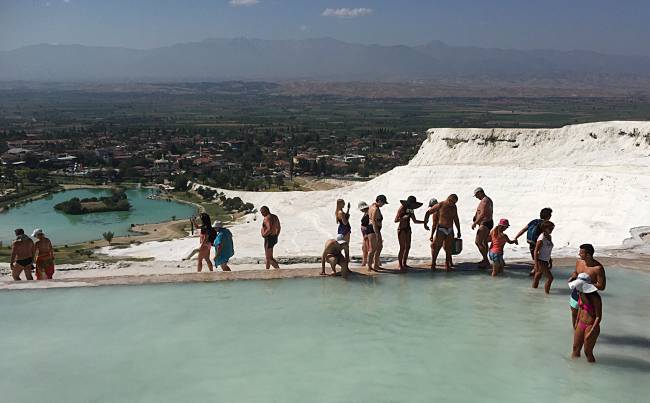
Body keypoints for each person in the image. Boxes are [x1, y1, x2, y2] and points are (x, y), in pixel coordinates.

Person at [568, 244, 606, 327]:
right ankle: (575, 333)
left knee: (588, 318)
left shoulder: (597, 268)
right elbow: (576, 272)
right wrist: (573, 276)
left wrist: (585, 284)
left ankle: (588, 334)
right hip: (576, 292)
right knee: (574, 313)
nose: (579, 254)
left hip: (588, 296)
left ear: (588, 255)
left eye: (581, 253)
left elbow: (602, 286)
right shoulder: (579, 262)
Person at [569, 273, 602, 363]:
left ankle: (590, 371)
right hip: (581, 323)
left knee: (588, 352)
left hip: (591, 325)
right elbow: (580, 308)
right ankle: (573, 370)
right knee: (575, 349)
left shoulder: (595, 298)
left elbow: (598, 317)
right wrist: (576, 322)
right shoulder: (580, 293)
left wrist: (591, 331)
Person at [514, 207, 553, 276]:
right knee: (539, 263)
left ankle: (536, 273)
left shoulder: (534, 221)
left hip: (532, 244)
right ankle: (535, 274)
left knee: (537, 261)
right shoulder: (545, 224)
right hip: (541, 245)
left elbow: (524, 230)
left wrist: (516, 237)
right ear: (548, 216)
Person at [428, 194, 461, 271]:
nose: (453, 204)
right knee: (437, 246)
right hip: (441, 229)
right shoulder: (440, 206)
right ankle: (435, 263)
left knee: (447, 247)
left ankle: (447, 263)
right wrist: (432, 235)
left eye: (454, 203)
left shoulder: (453, 207)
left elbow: (456, 219)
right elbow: (434, 224)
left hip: (449, 229)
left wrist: (459, 230)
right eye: (452, 202)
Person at [394, 195, 424, 271]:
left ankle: (404, 263)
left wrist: (424, 222)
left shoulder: (410, 209)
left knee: (408, 247)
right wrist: (402, 218)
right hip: (402, 229)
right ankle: (400, 264)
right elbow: (395, 220)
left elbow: (414, 221)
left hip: (408, 229)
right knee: (402, 247)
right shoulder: (402, 208)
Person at [471, 187, 493, 268]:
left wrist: (475, 223)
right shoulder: (487, 199)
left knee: (478, 242)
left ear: (480, 192)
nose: (476, 197)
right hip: (487, 222)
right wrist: (475, 216)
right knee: (484, 242)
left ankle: (486, 261)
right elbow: (481, 212)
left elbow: (483, 213)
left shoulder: (485, 201)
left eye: (476, 195)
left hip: (485, 223)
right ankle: (485, 259)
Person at [532, 221, 555, 293]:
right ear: (545, 228)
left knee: (538, 276)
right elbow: (535, 251)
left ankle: (533, 291)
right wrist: (535, 264)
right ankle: (546, 295)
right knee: (550, 278)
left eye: (552, 228)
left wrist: (550, 260)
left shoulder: (549, 236)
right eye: (550, 228)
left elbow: (548, 250)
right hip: (541, 261)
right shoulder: (541, 239)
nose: (552, 230)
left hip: (546, 260)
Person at [367, 195, 388, 271]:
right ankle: (369, 266)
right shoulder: (375, 209)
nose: (383, 204)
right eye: (383, 203)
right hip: (373, 229)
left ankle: (376, 265)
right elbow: (374, 222)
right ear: (379, 201)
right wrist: (377, 233)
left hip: (375, 229)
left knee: (379, 247)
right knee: (373, 249)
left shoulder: (372, 205)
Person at [260, 205, 281, 270]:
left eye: (262, 212)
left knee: (269, 258)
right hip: (273, 237)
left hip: (269, 238)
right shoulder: (275, 217)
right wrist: (276, 235)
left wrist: (264, 234)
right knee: (268, 257)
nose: (261, 214)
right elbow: (279, 227)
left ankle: (278, 270)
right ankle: (267, 270)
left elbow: (269, 229)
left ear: (265, 211)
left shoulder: (267, 218)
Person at [358, 201, 372, 267]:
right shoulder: (366, 213)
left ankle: (368, 263)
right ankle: (364, 262)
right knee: (364, 248)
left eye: (361, 209)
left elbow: (370, 223)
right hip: (365, 234)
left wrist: (366, 233)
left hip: (367, 233)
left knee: (368, 248)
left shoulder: (368, 213)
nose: (360, 210)